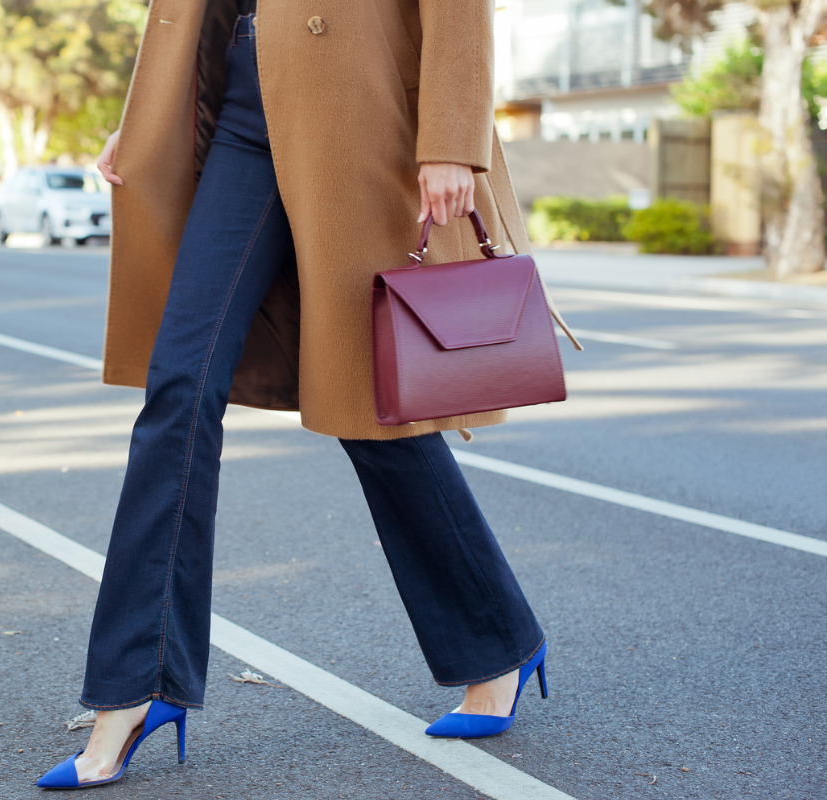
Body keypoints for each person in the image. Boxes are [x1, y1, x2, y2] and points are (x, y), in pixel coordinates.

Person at [37, 0, 582, 789]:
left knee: (367, 403)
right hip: (240, 108)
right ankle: (136, 684)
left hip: (359, 106)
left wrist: (452, 140)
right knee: (180, 382)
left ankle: (495, 638)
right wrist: (151, 114)